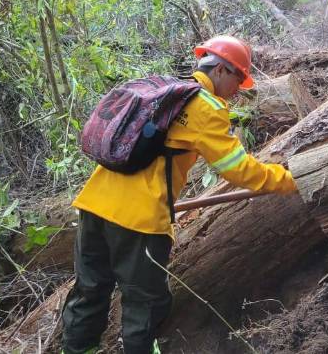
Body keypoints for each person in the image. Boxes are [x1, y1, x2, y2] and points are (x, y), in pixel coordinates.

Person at [61, 36, 297, 354]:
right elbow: (237, 168)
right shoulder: (206, 107)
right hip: (139, 221)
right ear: (222, 70)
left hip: (92, 204)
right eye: (238, 78)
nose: (239, 88)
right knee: (145, 303)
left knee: (89, 291)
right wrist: (288, 179)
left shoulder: (164, 91)